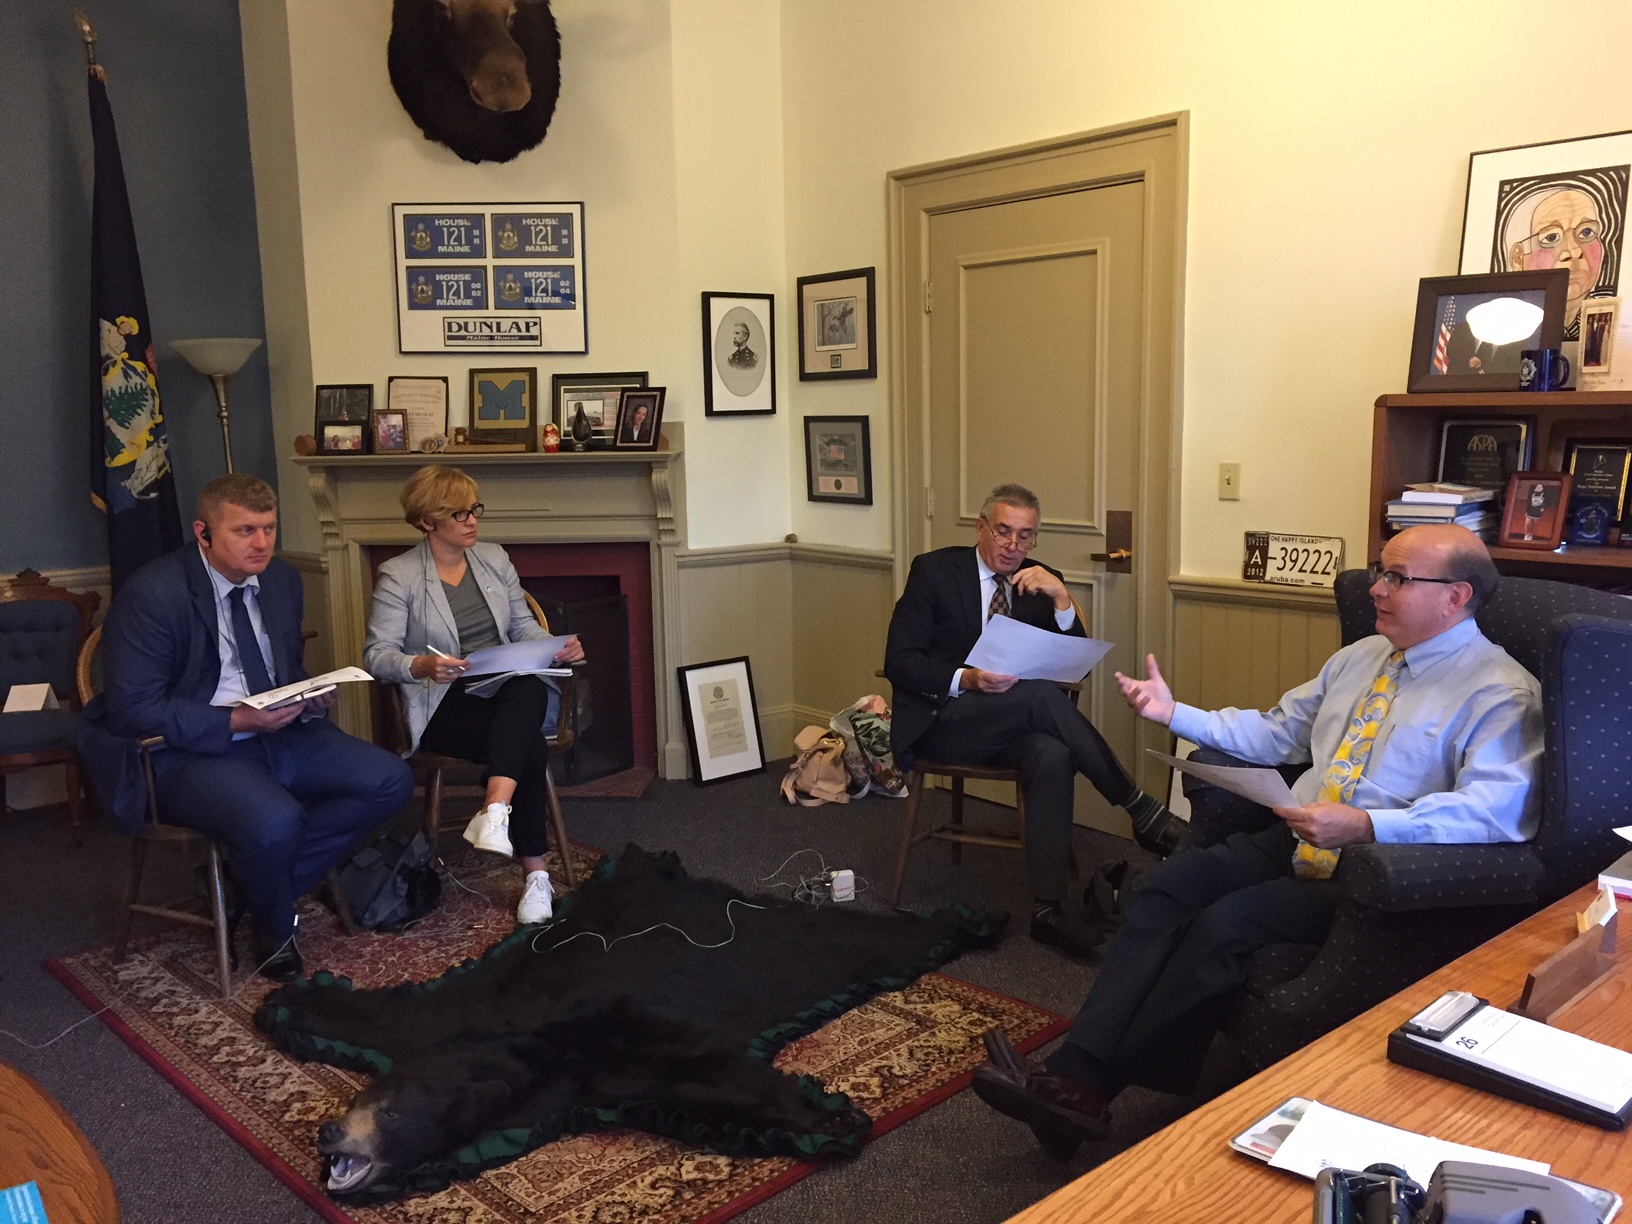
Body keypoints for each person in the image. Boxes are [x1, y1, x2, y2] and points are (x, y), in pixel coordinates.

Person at [971, 524, 1542, 1155]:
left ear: (1456, 596)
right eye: (1381, 571)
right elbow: (1278, 733)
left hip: (1376, 866)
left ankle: (1087, 1087)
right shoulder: (1360, 657)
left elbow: (1497, 811)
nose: (1377, 589)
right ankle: (1076, 1077)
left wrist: (1369, 824)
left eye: (1397, 578)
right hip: (1297, 835)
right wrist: (1173, 713)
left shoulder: (1501, 691)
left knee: (1224, 924)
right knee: (1165, 886)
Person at [80, 474, 413, 982]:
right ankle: (274, 925)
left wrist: (312, 695)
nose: (262, 544)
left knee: (389, 779)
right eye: (245, 531)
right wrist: (233, 718)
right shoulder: (153, 593)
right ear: (204, 533)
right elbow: (132, 709)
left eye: (270, 529)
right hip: (187, 749)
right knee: (275, 822)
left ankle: (251, 886)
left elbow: (285, 669)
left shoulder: (282, 581)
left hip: (280, 731)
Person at [884, 483, 1184, 960]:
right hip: (942, 721)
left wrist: (1063, 601)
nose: (1013, 546)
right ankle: (1139, 809)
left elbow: (1076, 667)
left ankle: (1047, 911)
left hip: (1008, 728)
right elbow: (899, 661)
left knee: (1052, 752)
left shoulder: (1039, 582)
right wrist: (969, 678)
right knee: (1041, 697)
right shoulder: (936, 572)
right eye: (1003, 531)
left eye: (1026, 537)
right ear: (981, 528)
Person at [364, 467, 585, 926]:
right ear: (428, 521)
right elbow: (377, 655)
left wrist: (557, 646)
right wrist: (421, 665)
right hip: (444, 702)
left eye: (474, 510)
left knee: (524, 690)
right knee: (523, 739)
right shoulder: (399, 575)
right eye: (459, 513)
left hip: (503, 691)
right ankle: (534, 873)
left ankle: (496, 812)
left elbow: (522, 628)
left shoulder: (493, 559)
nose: (472, 521)